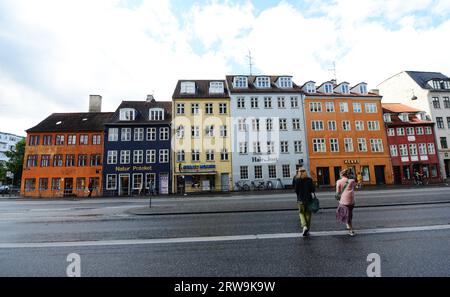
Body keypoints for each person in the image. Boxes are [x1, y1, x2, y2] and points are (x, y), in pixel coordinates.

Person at [293, 167, 316, 237]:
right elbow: (313, 190)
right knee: (308, 214)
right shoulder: (309, 180)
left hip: (300, 200)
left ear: (298, 172)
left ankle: (304, 226)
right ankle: (307, 230)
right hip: (308, 199)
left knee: (301, 213)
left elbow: (295, 190)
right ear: (305, 172)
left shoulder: (297, 180)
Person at [336, 169, 357, 236]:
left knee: (345, 213)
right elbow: (354, 185)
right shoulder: (352, 181)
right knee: (349, 213)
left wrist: (338, 199)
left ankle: (351, 230)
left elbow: (338, 192)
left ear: (341, 175)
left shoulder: (339, 181)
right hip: (351, 200)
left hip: (344, 201)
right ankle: (348, 223)